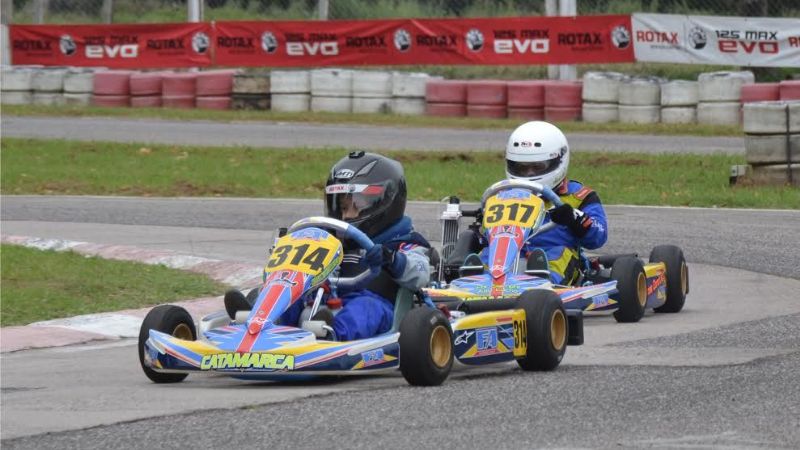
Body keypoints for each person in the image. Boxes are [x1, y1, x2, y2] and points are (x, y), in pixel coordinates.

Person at [280, 151, 432, 341]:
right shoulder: (332, 240)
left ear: (386, 201)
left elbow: (421, 273)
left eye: (357, 205)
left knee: (364, 309)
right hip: (325, 299)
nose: (348, 216)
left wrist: (392, 259)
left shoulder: (404, 241)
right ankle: (260, 324)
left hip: (380, 305)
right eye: (343, 207)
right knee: (289, 295)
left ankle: (331, 336)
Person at [449, 121, 608, 285]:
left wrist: (574, 218)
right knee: (485, 255)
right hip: (506, 253)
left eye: (537, 167)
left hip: (552, 253)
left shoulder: (579, 196)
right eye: (522, 168)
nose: (529, 173)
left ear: (559, 160)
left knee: (560, 256)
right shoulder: (502, 194)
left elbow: (598, 237)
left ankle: (542, 285)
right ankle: (470, 285)